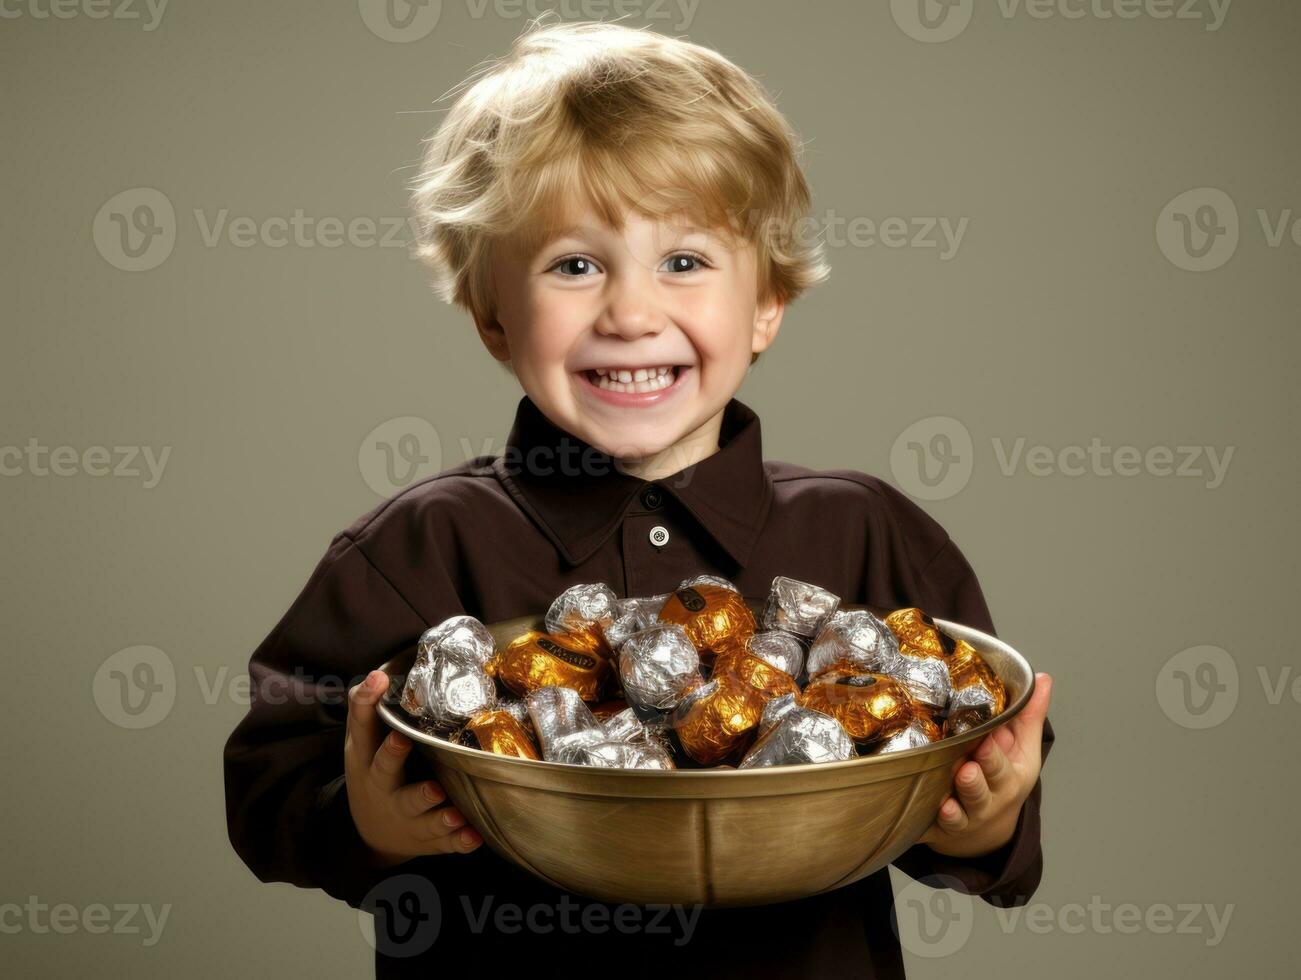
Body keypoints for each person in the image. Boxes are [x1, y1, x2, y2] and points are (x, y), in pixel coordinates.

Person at [223, 17, 1054, 978]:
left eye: (685, 261)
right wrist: (363, 821)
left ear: (767, 304)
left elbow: (979, 805)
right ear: (494, 317)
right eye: (573, 265)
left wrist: (978, 826)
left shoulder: (866, 535)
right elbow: (267, 787)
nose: (628, 312)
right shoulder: (418, 547)